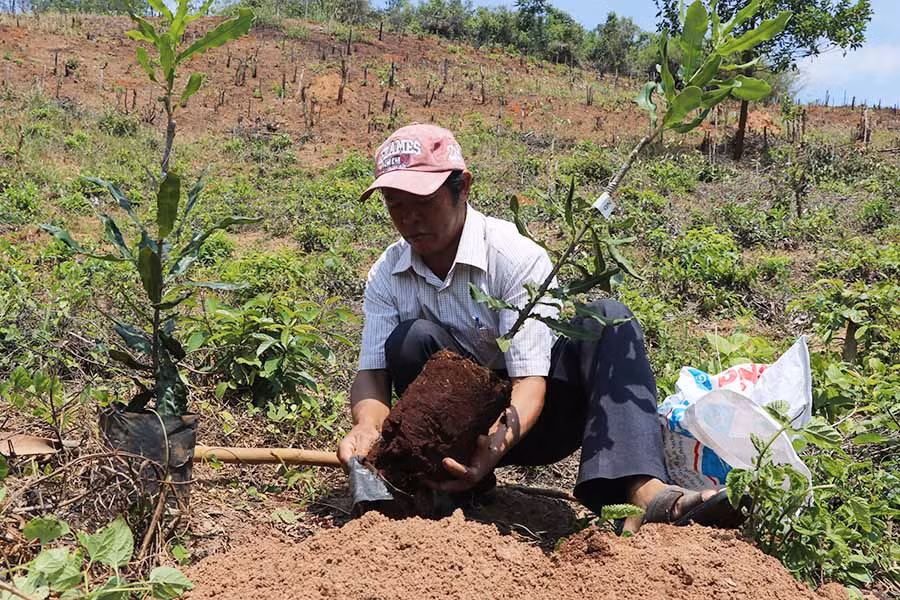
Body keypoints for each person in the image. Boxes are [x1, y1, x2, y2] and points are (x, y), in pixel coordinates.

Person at [337, 123, 744, 531]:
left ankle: (642, 491)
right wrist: (368, 426)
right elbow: (371, 373)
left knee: (610, 318)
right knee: (412, 340)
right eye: (395, 205)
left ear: (462, 187)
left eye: (422, 202)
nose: (408, 218)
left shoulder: (513, 256)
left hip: (540, 415)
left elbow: (530, 382)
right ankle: (449, 484)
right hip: (458, 428)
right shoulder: (389, 272)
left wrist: (492, 447)